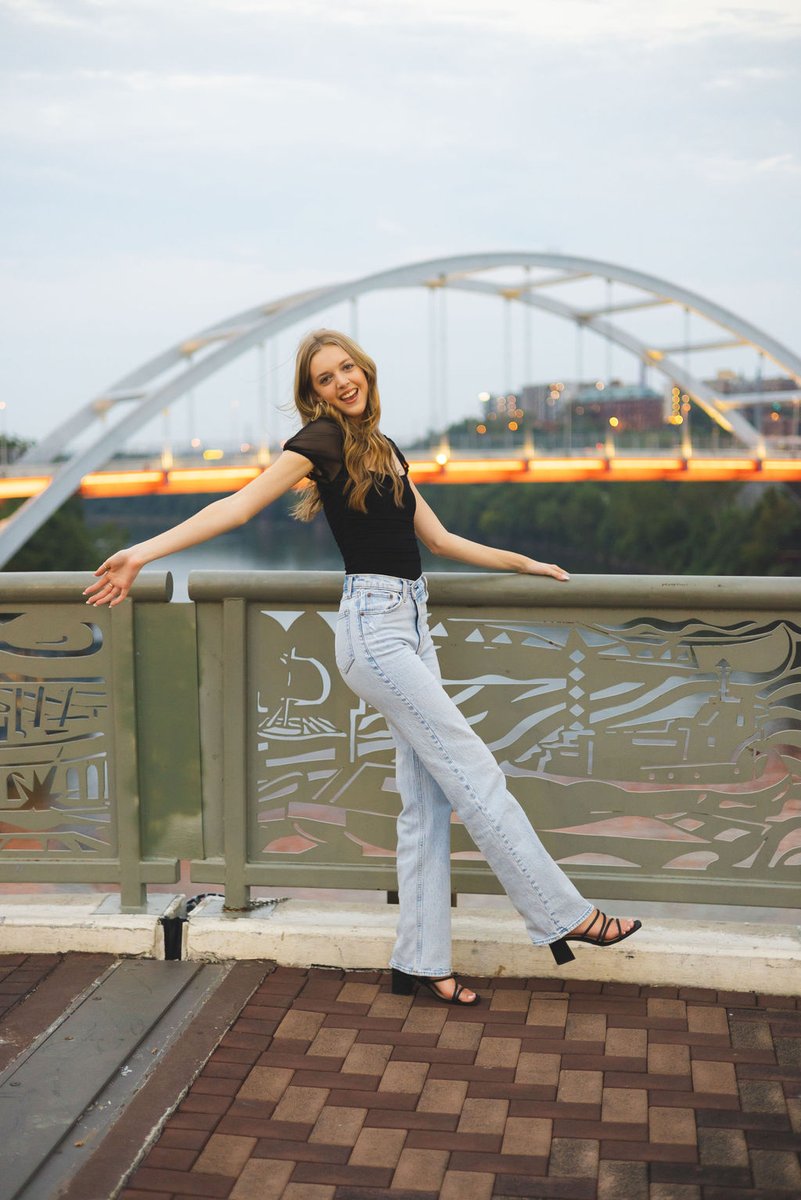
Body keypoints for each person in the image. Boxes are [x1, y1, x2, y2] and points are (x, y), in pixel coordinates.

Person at [85, 328, 641, 1005]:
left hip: (410, 623)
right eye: (325, 377)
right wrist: (143, 552)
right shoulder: (318, 443)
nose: (342, 381)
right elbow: (237, 505)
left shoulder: (383, 449)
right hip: (374, 632)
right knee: (475, 773)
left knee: (427, 804)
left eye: (346, 367)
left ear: (365, 370)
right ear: (312, 394)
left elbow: (434, 539)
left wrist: (523, 563)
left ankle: (419, 962)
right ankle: (565, 914)